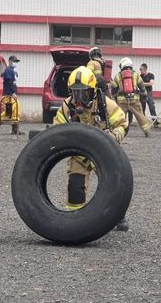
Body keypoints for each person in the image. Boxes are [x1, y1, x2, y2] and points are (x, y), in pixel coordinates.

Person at [53, 66, 130, 231]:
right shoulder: (67, 107)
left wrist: (114, 136)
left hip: (102, 152)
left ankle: (118, 215)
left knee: (113, 184)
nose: (79, 98)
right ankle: (75, 219)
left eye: (84, 93)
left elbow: (123, 124)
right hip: (79, 154)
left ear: (93, 91)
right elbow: (56, 130)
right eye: (75, 92)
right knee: (75, 185)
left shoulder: (106, 105)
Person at [111, 57, 151, 137]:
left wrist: (115, 97)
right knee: (140, 116)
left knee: (120, 118)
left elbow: (114, 89)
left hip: (122, 101)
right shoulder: (135, 74)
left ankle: (117, 133)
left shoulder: (118, 76)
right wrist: (145, 93)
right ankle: (146, 131)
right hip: (134, 100)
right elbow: (142, 86)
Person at [0, 54, 21, 134]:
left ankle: (15, 129)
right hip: (8, 95)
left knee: (16, 111)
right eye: (14, 61)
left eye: (16, 61)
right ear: (10, 62)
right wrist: (13, 93)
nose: (15, 63)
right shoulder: (8, 70)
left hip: (11, 95)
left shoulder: (12, 71)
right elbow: (9, 82)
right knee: (10, 112)